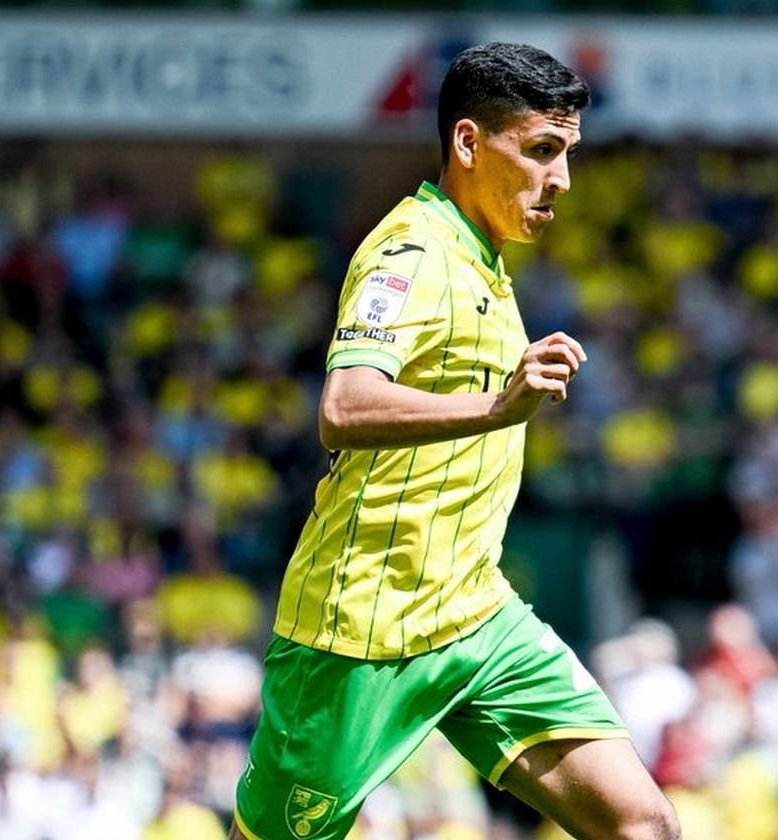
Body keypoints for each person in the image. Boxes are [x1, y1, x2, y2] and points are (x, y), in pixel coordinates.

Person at [229, 42, 681, 840]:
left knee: (642, 826)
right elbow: (344, 404)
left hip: (475, 613)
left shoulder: (485, 259)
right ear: (469, 143)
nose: (561, 179)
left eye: (568, 153)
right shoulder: (410, 253)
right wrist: (497, 406)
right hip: (362, 628)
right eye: (541, 150)